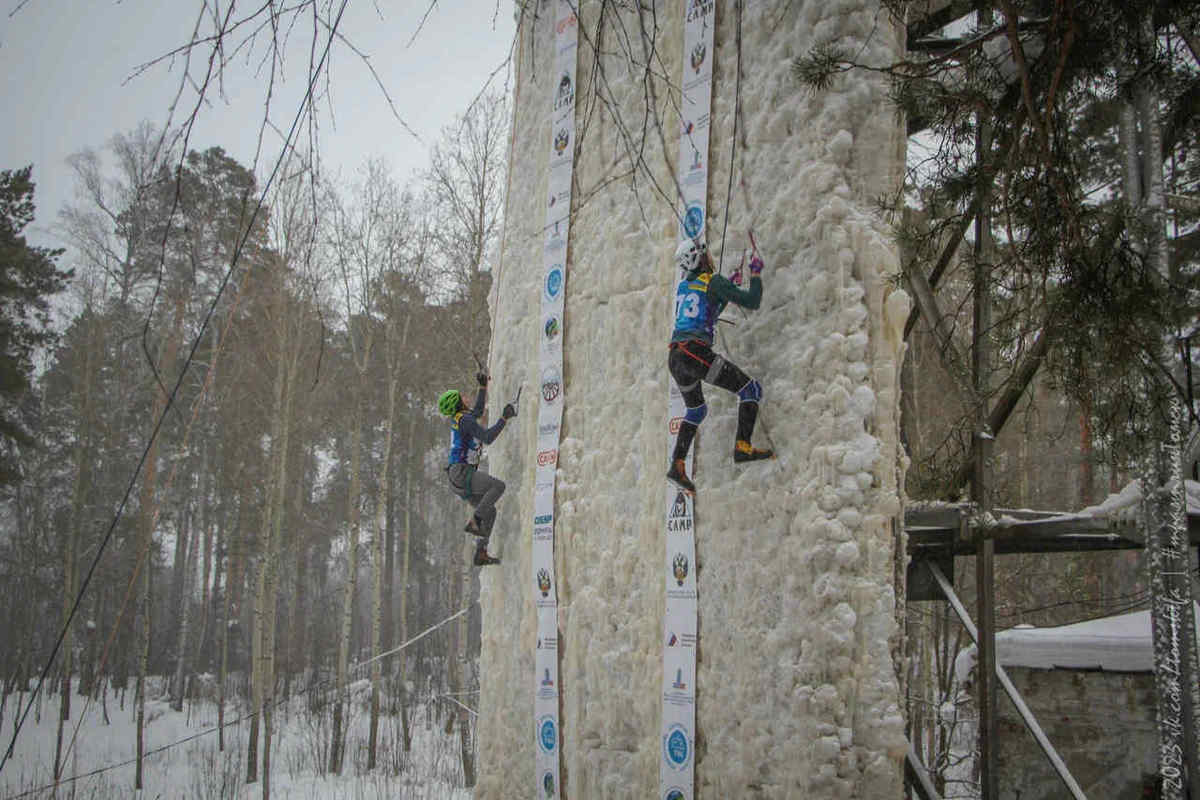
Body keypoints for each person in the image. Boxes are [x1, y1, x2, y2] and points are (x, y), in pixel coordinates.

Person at [666, 237, 773, 494]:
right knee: (750, 390)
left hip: (676, 358)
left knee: (697, 410)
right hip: (695, 353)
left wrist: (727, 290)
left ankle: (677, 466)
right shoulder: (713, 281)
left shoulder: (685, 285)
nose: (711, 257)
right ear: (701, 258)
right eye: (707, 254)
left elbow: (709, 308)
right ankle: (742, 447)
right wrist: (755, 273)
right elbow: (752, 301)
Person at [437, 372, 517, 566]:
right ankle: (476, 520)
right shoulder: (464, 420)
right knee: (498, 487)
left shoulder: (462, 418)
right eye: (462, 396)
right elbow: (487, 438)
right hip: (461, 473)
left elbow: (478, 412)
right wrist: (504, 419)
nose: (466, 397)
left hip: (456, 478)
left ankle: (480, 552)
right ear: (458, 403)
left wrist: (483, 387)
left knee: (490, 512)